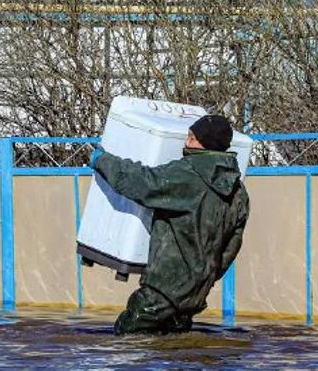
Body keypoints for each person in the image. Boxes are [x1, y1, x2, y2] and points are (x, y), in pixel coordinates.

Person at [89, 113, 250, 334]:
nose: (186, 142)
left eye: (191, 138)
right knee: (176, 355)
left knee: (124, 345)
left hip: (162, 291)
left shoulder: (188, 175)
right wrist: (205, 278)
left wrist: (102, 161)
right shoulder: (239, 192)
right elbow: (231, 248)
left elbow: (142, 182)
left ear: (205, 143)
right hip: (196, 295)